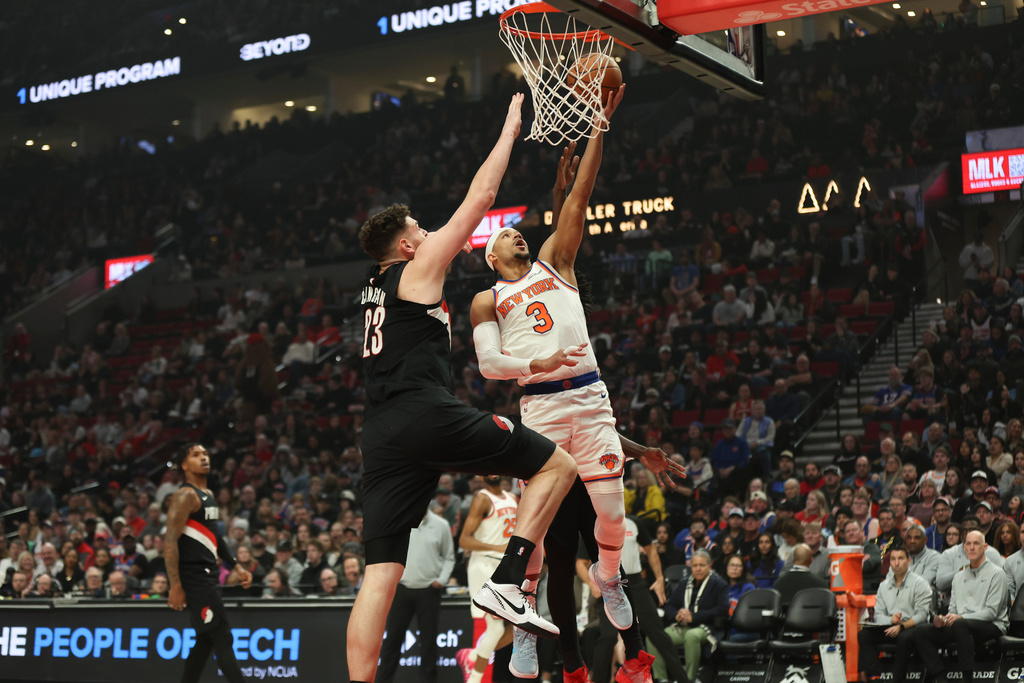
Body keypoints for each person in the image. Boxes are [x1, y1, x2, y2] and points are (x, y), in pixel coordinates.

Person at [350, 94, 576, 683]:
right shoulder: (414, 270)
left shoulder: (373, 289)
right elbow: (479, 201)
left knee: (380, 570)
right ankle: (508, 582)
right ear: (404, 246)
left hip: (379, 434)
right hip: (424, 411)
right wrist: (509, 129)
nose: (428, 234)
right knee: (558, 466)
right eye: (420, 230)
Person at [469, 89, 639, 665]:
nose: (517, 234)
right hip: (538, 404)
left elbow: (579, 197)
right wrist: (532, 365)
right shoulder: (486, 298)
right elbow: (489, 365)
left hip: (590, 399)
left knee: (613, 516)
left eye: (520, 231)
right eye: (506, 235)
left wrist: (597, 128)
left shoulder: (555, 263)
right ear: (491, 256)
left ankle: (609, 578)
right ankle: (522, 609)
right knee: (535, 526)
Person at [164, 443, 253, 683]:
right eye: (196, 455)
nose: (204, 458)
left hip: (208, 575)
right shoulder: (185, 495)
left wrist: (235, 565)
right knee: (223, 637)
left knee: (205, 640)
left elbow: (215, 537)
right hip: (195, 578)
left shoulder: (209, 495)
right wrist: (175, 585)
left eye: (205, 454)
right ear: (184, 465)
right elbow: (169, 541)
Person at [905, 530, 1008, 678]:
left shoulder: (997, 573)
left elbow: (991, 612)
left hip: (992, 625)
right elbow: (953, 609)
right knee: (921, 632)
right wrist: (944, 619)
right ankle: (939, 676)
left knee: (960, 625)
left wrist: (960, 617)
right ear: (964, 548)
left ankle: (967, 677)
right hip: (961, 626)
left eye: (976, 544)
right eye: (968, 544)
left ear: (985, 547)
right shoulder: (958, 577)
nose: (972, 547)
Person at [375, 509, 455, 683]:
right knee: (392, 641)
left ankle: (428, 681)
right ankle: (382, 680)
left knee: (428, 642)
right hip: (401, 589)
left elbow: (449, 557)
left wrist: (441, 580)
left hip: (429, 590)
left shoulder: (441, 525)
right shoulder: (399, 522)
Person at [456, 476, 517, 683]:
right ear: (481, 476)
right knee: (496, 627)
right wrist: (497, 547)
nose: (492, 472)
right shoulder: (482, 499)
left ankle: (472, 656)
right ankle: (475, 677)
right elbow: (464, 539)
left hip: (505, 566)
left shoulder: (512, 498)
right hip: (484, 565)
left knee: (519, 627)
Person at [647, 549, 728, 683]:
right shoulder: (685, 583)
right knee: (654, 637)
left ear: (710, 565)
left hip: (706, 627)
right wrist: (677, 615)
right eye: (695, 565)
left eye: (702, 565)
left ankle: (688, 679)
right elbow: (669, 605)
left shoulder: (719, 584)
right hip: (683, 625)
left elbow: (722, 610)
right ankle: (661, 679)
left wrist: (694, 617)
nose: (698, 569)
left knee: (692, 636)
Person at [857, 546, 933, 682]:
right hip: (891, 625)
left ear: (908, 561)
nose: (896, 563)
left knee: (904, 638)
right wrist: (890, 620)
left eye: (900, 558)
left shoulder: (920, 583)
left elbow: (922, 615)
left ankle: (898, 679)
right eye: (893, 559)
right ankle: (875, 677)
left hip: (912, 627)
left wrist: (902, 625)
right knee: (864, 634)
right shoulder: (884, 586)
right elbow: (878, 614)